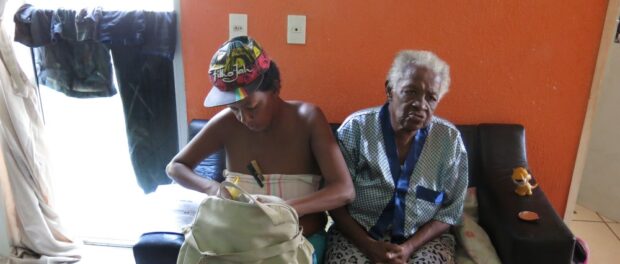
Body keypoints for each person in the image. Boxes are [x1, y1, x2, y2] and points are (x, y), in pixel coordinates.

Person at [166, 36, 355, 263]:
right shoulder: (227, 123)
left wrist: (284, 209)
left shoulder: (308, 119)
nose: (243, 118)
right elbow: (175, 166)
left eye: (251, 107)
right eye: (234, 109)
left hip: (295, 243)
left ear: (274, 87)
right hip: (237, 244)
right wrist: (211, 187)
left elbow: (344, 190)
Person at [325, 50, 468, 264]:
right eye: (410, 92)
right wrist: (369, 246)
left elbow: (450, 210)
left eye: (431, 98)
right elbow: (334, 200)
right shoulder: (355, 130)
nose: (421, 104)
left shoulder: (449, 141)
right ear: (390, 90)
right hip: (358, 234)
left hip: (421, 239)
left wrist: (409, 247)